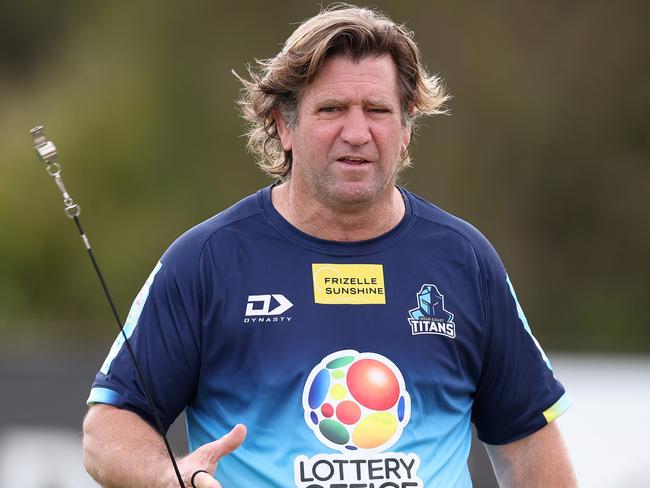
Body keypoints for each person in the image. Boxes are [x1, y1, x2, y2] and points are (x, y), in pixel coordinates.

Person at [83, 5, 576, 487]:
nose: (357, 133)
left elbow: (529, 440)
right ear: (284, 124)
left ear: (406, 128)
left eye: (378, 110)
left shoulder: (465, 260)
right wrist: (168, 476)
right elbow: (108, 428)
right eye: (332, 109)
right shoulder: (206, 261)